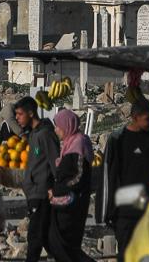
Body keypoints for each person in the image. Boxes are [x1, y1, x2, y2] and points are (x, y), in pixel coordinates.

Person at [103, 99, 149, 257]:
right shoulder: (118, 140)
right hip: (125, 212)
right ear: (135, 117)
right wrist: (108, 212)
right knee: (126, 254)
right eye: (147, 119)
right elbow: (108, 176)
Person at [14, 96, 63, 262]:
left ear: (31, 113)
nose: (17, 118)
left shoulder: (45, 135)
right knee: (47, 240)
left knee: (35, 239)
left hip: (42, 194)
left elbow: (55, 163)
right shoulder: (33, 135)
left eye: (20, 114)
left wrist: (54, 188)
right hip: (34, 194)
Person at [47, 107, 94, 262]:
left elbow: (79, 176)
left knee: (67, 248)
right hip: (64, 203)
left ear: (67, 125)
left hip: (73, 206)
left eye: (58, 126)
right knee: (58, 245)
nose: (56, 130)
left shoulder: (79, 143)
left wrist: (57, 190)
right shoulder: (69, 143)